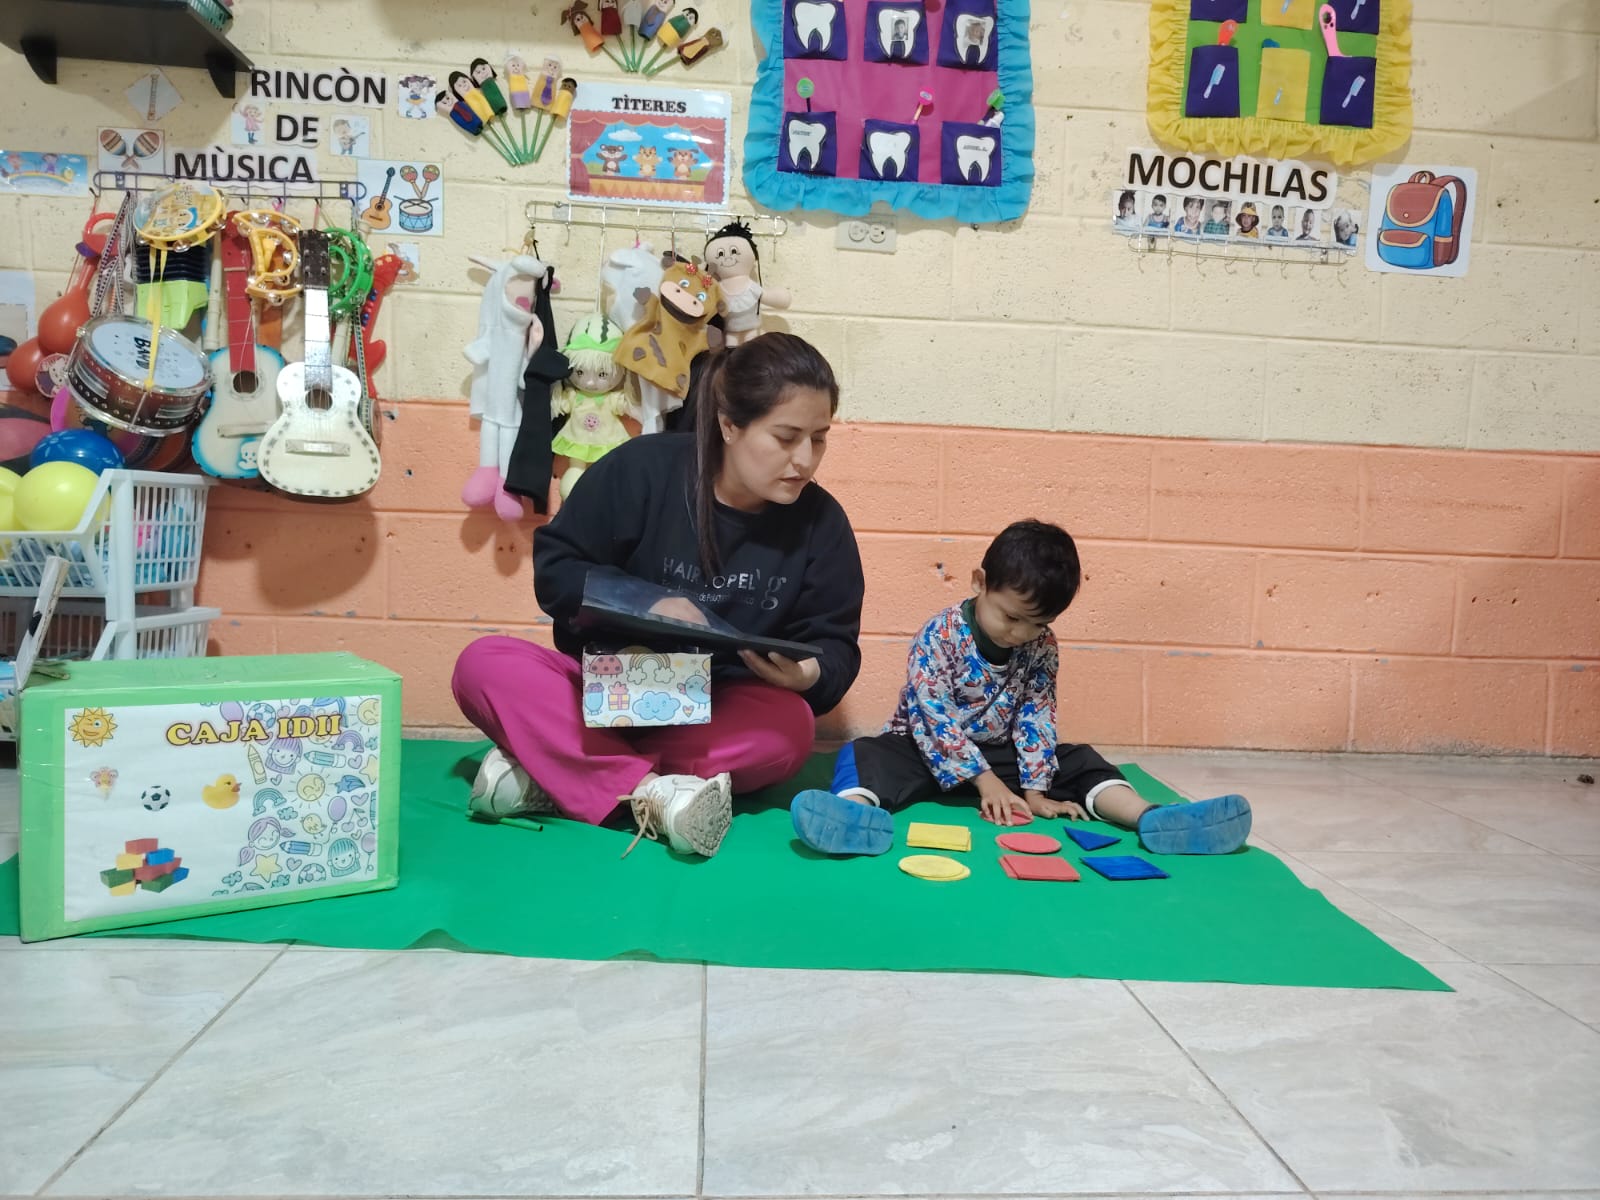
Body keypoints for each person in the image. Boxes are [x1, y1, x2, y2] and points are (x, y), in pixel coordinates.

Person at [452, 332, 863, 859]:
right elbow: (556, 569)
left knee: (788, 730)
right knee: (483, 664)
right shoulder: (642, 469)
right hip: (606, 689)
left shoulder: (821, 523)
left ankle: (556, 773)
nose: (804, 460)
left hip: (713, 706)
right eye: (786, 437)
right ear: (729, 425)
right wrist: (644, 601)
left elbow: (835, 644)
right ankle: (652, 793)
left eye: (819, 439)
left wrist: (808, 674)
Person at [788, 520, 1252, 857]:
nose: (1021, 634)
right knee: (866, 753)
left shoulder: (1041, 645)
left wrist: (1035, 789)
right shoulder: (940, 634)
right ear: (980, 583)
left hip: (1000, 755)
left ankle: (1151, 818)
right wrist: (984, 782)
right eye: (1011, 617)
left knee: (1080, 759)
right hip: (925, 751)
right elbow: (933, 716)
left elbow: (1036, 715)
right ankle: (854, 818)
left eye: (1038, 623)